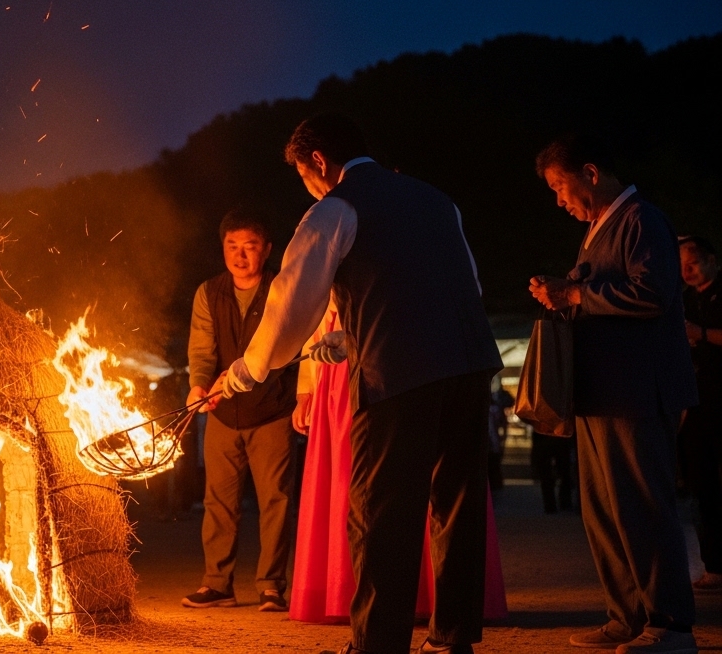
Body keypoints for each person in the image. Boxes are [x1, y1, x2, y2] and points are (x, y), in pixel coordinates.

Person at [213, 114, 502, 654]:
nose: (308, 186)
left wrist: (245, 371)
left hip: (397, 374)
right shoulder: (438, 201)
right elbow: (466, 285)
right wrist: (351, 335)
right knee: (456, 504)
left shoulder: (335, 208)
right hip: (470, 364)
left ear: (318, 161)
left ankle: (377, 645)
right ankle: (452, 638)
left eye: (304, 176)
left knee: (381, 509)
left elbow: (291, 305)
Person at [530, 135, 697, 653]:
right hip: (599, 392)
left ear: (591, 172)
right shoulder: (597, 230)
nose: (559, 200)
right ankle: (626, 616)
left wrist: (576, 293)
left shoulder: (641, 219)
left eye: (560, 186)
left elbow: (653, 294)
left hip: (636, 391)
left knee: (643, 506)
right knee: (603, 510)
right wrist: (563, 293)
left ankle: (671, 625)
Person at [290, 305, 509, 626]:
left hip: (394, 348)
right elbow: (312, 312)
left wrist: (256, 367)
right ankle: (377, 599)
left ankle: (411, 610)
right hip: (348, 357)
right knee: (365, 479)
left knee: (408, 479)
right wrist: (305, 389)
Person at [180, 210, 299, 612]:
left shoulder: (282, 290)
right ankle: (217, 584)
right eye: (232, 246)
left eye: (250, 246)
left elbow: (291, 348)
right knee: (218, 501)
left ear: (267, 249)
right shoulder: (209, 293)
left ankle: (271, 586)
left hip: (273, 411)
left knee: (275, 501)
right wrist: (198, 385)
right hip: (222, 413)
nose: (240, 255)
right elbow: (202, 348)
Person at [679, 235, 722, 592]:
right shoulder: (683, 300)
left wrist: (701, 333)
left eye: (692, 263)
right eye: (681, 266)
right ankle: (715, 566)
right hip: (697, 404)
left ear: (711, 259)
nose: (686, 272)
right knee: (702, 487)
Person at [529, 431, 574, 514]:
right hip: (560, 436)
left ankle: (550, 504)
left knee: (547, 474)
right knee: (563, 471)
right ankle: (563, 501)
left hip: (544, 436)